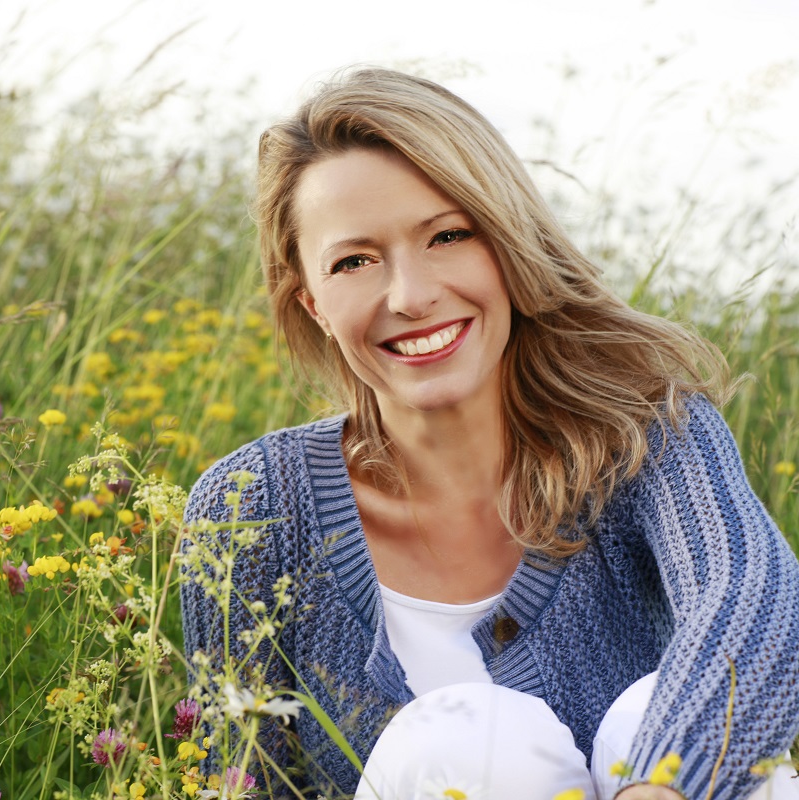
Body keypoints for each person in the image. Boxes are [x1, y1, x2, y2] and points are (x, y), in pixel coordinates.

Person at [179, 68, 799, 800]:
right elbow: (243, 777)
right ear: (312, 301)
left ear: (508, 244)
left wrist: (663, 789)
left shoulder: (646, 437)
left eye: (447, 235)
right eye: (355, 261)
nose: (411, 296)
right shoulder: (250, 507)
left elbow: (753, 594)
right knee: (465, 745)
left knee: (660, 731)